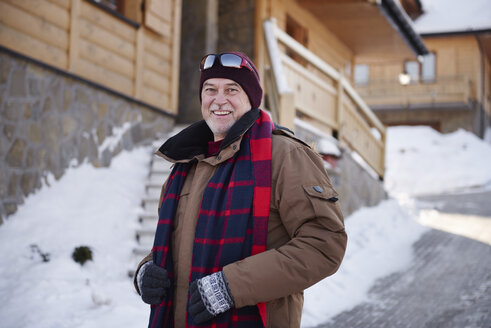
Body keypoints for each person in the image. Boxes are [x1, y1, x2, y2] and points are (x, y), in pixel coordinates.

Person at [133, 52, 347, 328]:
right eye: (210, 90)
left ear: (251, 99)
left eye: (231, 90)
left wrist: (231, 286)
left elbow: (325, 244)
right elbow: (176, 246)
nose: (219, 100)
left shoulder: (284, 156)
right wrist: (146, 272)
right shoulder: (185, 165)